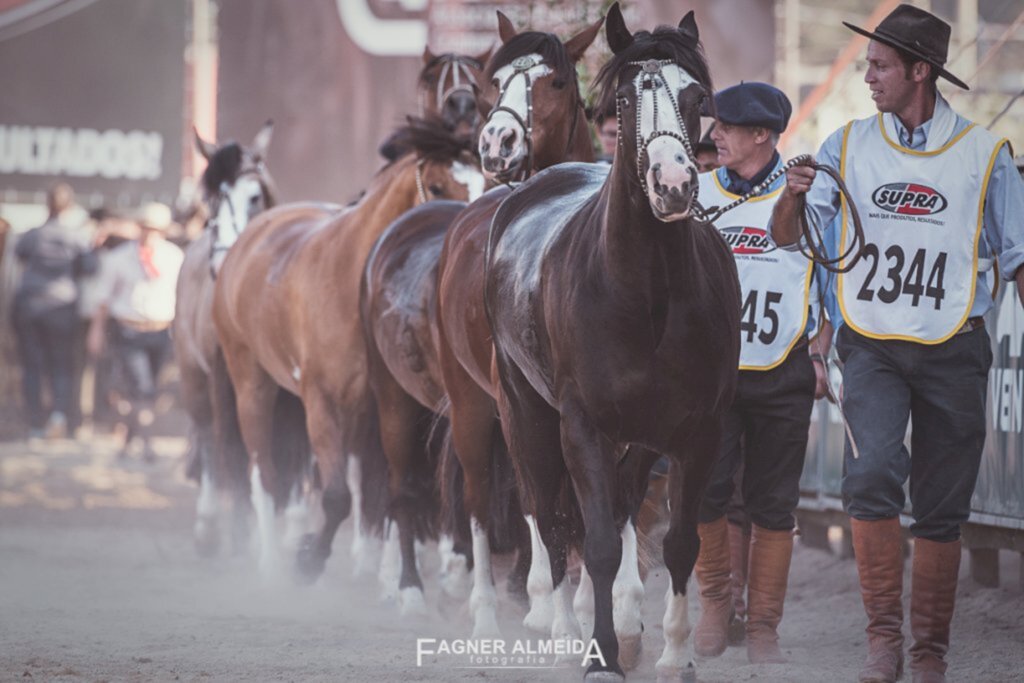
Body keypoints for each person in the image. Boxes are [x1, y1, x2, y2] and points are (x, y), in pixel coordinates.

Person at [770, 6, 1024, 682]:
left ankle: (929, 652)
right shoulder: (844, 147)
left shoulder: (985, 155)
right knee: (872, 473)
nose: (867, 75)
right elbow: (791, 237)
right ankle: (883, 640)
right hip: (873, 345)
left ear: (920, 71)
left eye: (879, 65)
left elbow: (1019, 257)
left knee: (944, 503)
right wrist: (791, 198)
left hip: (956, 346)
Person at [692, 82, 831, 664]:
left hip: (783, 368)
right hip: (709, 373)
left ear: (762, 136)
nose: (713, 134)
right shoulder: (692, 191)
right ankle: (716, 608)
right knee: (706, 494)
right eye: (713, 124)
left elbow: (833, 280)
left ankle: (765, 626)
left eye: (725, 126)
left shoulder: (812, 193)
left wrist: (824, 345)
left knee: (774, 503)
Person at [87, 202, 184, 461]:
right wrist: (96, 332)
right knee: (142, 386)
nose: (150, 234)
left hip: (162, 331)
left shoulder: (174, 257)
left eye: (155, 230)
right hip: (129, 331)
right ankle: (147, 442)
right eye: (146, 228)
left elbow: (181, 297)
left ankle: (130, 439)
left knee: (149, 387)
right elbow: (104, 299)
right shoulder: (119, 258)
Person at [11, 183, 95, 439]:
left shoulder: (33, 235)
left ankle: (36, 424)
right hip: (61, 309)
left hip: (30, 306)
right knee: (61, 365)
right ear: (69, 206)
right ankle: (58, 417)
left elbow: (19, 255)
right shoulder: (77, 238)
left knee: (33, 366)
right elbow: (90, 268)